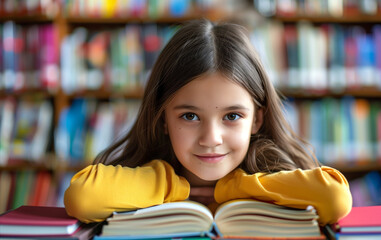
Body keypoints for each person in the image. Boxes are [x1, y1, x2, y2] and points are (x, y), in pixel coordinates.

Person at [64, 19, 352, 225]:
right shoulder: (146, 177)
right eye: (189, 116)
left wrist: (233, 187)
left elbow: (334, 198)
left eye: (232, 116)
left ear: (257, 119)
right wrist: (176, 187)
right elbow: (83, 198)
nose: (211, 138)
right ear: (163, 118)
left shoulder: (272, 177)